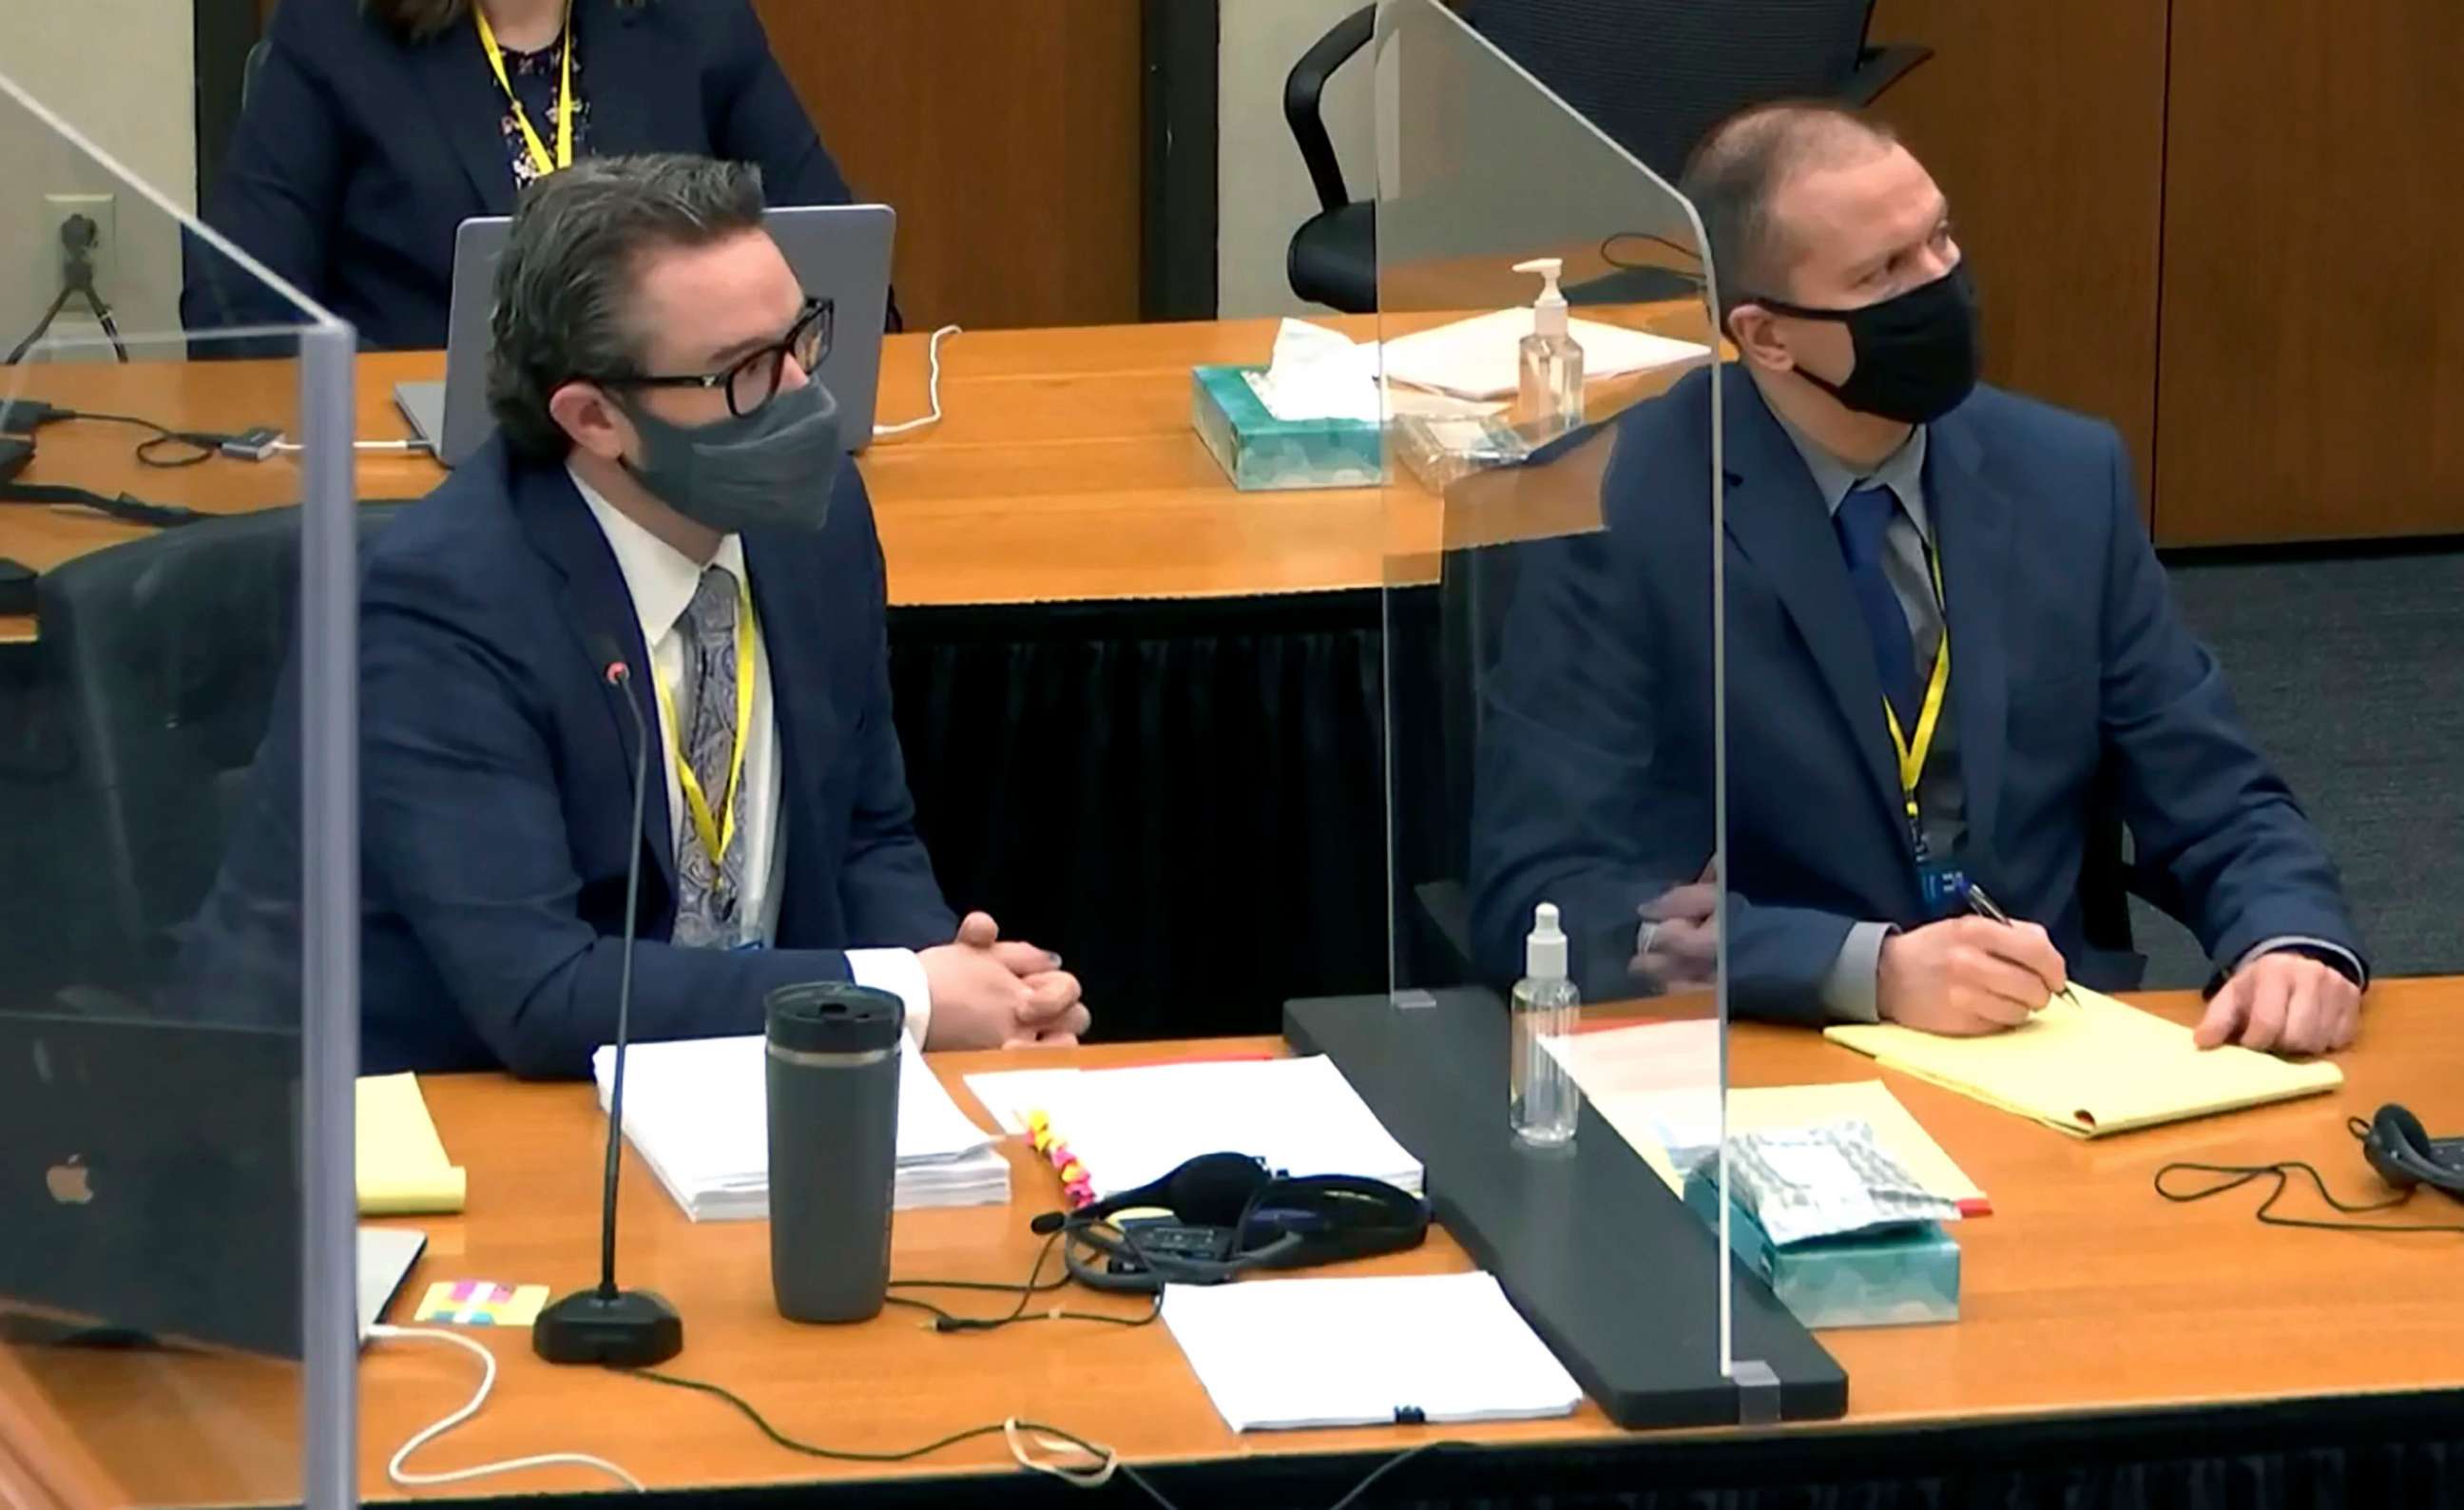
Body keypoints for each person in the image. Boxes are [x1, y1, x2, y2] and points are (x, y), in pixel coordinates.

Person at [1470, 103, 2366, 1055]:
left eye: (1938, 238)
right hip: (1783, 1059)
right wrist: (1867, 967)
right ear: (1767, 337)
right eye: (1884, 273)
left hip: (2057, 1046)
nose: (1939, 282)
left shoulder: (2065, 475)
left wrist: (2291, 938)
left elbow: (2215, 790)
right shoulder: (1616, 509)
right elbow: (1547, 891)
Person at [182, 154, 1083, 1076]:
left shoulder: (816, 523)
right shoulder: (438, 609)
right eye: (743, 371)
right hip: (438, 1113)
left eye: (801, 338)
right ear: (593, 417)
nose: (803, 395)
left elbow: (862, 831)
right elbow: (539, 995)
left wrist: (972, 987)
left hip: (728, 1082)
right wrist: (905, 999)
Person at [183, 0, 864, 349]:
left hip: (667, 455)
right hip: (431, 483)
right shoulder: (335, 32)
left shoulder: (695, 21)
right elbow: (238, 306)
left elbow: (838, 265)